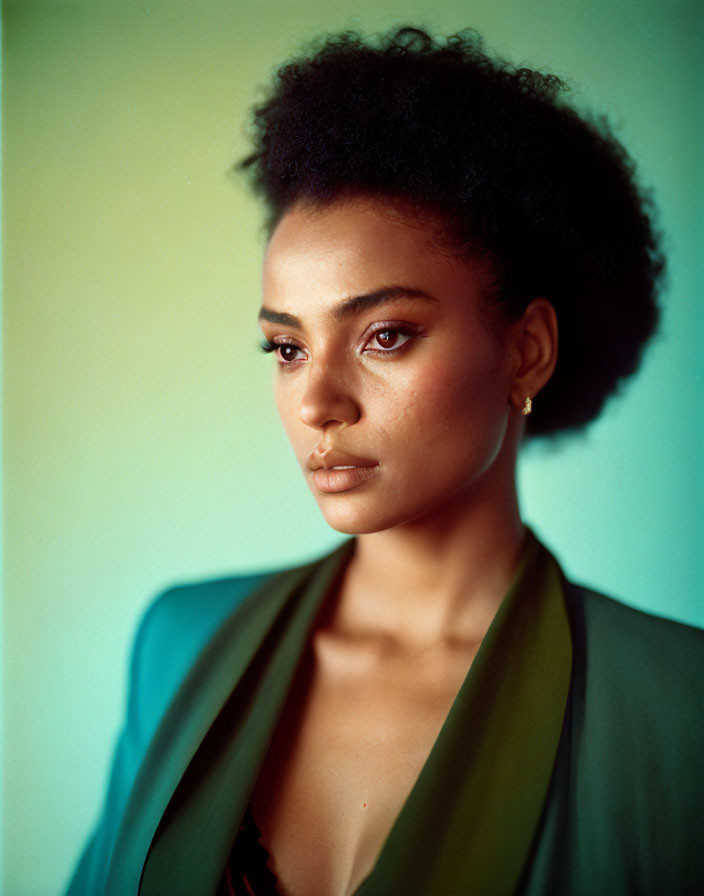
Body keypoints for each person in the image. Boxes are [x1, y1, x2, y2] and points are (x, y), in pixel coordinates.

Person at [65, 26, 704, 896]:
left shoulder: (678, 712)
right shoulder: (179, 644)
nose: (317, 402)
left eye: (384, 336)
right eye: (286, 349)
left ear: (526, 352)